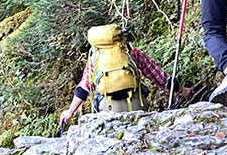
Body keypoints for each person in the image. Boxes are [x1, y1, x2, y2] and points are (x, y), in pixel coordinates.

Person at [59, 24, 190, 127]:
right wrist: (182, 90)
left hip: (109, 112)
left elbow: (83, 88)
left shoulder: (95, 58)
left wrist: (70, 112)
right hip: (137, 106)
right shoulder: (129, 51)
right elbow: (158, 76)